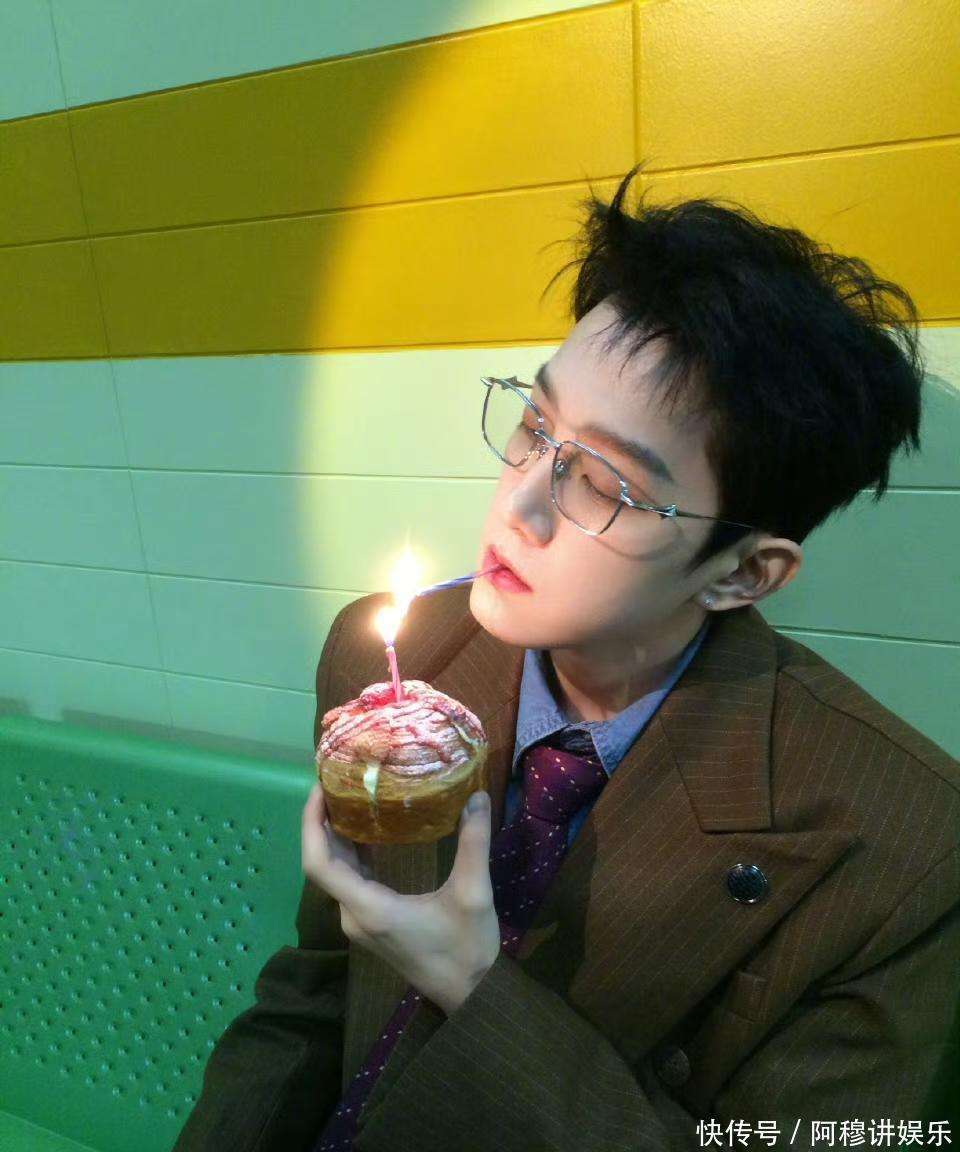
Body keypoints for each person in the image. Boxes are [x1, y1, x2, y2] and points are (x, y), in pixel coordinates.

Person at [173, 162, 960, 1151]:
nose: (520, 504)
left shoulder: (904, 851)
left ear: (743, 575)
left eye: (604, 484)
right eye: (533, 426)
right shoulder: (392, 659)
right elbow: (317, 990)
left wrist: (472, 983)